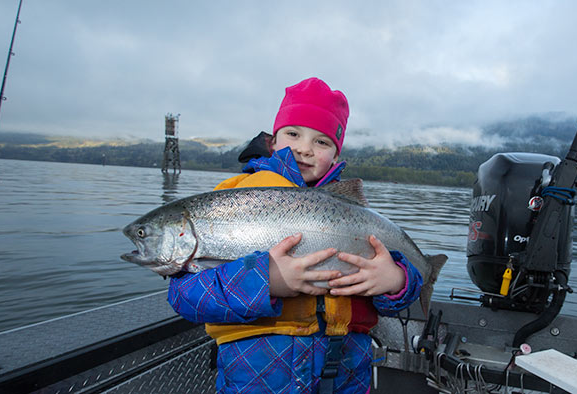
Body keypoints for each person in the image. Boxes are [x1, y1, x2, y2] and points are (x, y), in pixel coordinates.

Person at [168, 77, 423, 394]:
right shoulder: (225, 203)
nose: (304, 148)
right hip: (257, 379)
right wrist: (267, 281)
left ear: (335, 152)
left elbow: (402, 287)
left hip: (345, 378)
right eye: (293, 134)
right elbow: (185, 297)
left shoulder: (358, 217)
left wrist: (398, 281)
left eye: (322, 142)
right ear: (272, 141)